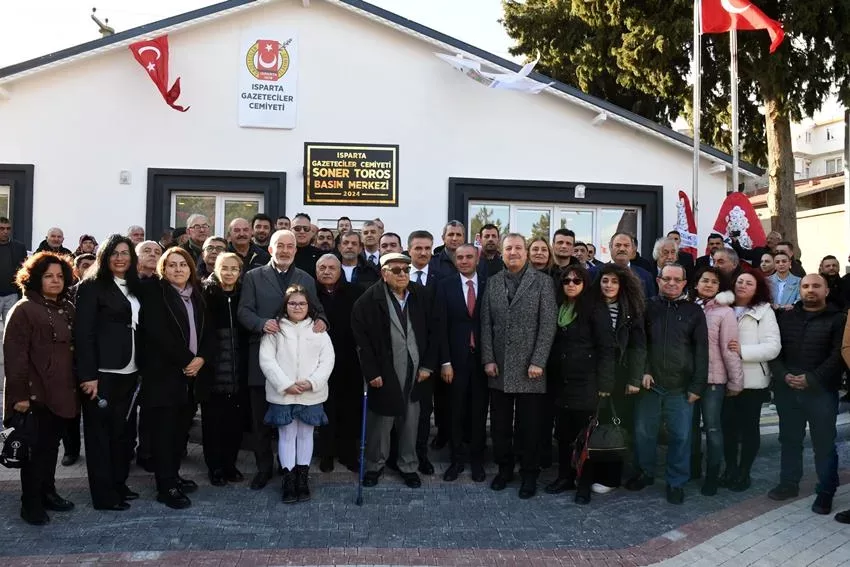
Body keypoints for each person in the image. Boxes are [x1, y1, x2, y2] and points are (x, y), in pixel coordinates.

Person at [237, 229, 327, 490]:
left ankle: (291, 468)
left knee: (294, 422)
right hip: (261, 357)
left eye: (290, 246)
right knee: (261, 419)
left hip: (297, 362)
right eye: (280, 245)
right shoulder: (254, 276)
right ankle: (264, 468)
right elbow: (244, 310)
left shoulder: (306, 279)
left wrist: (322, 320)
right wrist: (261, 323)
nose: (285, 250)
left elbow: (318, 310)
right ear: (270, 249)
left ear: (296, 250)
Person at [351, 252, 438, 489]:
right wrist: (371, 372)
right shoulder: (368, 301)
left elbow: (434, 332)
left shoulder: (421, 296)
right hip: (384, 370)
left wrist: (428, 365)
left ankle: (408, 465)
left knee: (410, 420)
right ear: (384, 273)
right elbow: (362, 342)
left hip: (416, 369)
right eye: (396, 270)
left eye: (406, 270)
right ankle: (374, 465)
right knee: (381, 421)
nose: (403, 275)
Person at [3, 252, 78, 525]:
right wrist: (20, 396)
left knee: (50, 449)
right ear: (35, 278)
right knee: (34, 453)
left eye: (60, 276)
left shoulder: (67, 307)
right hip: (35, 396)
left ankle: (48, 492)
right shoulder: (24, 310)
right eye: (48, 276)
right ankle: (30, 503)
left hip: (63, 392)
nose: (55, 281)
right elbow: (14, 357)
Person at [481, 234, 557, 499]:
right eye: (508, 248)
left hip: (530, 368)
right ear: (502, 253)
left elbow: (548, 325)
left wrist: (538, 361)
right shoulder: (492, 283)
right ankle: (504, 470)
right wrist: (488, 358)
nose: (513, 252)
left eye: (518, 248)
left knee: (529, 427)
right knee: (500, 426)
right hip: (499, 367)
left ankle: (529, 474)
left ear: (526, 252)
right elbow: (485, 324)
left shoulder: (543, 283)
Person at [138, 247, 214, 509]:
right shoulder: (155, 293)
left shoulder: (197, 294)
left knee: (179, 431)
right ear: (163, 268)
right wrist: (186, 361)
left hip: (192, 375)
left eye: (183, 264)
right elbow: (158, 333)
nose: (178, 269)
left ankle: (174, 476)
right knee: (164, 433)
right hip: (164, 374)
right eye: (172, 265)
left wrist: (201, 358)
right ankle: (165, 487)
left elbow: (208, 330)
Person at [626, 263, 707, 505]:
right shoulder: (647, 307)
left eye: (677, 279)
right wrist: (644, 370)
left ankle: (676, 482)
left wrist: (697, 386)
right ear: (659, 280)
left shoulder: (694, 311)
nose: (671, 283)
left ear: (684, 283)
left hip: (681, 387)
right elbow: (639, 343)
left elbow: (702, 351)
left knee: (681, 437)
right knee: (644, 434)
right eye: (667, 278)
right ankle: (646, 473)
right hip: (650, 385)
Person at [74, 234, 143, 511]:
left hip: (131, 369)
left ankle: (118, 483)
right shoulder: (92, 287)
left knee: (122, 433)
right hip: (102, 373)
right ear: (104, 256)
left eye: (125, 252)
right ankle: (103, 495)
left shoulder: (135, 285)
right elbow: (83, 334)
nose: (120, 258)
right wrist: (87, 375)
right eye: (114, 252)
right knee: (99, 437)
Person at [768, 274, 844, 515]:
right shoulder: (786, 318)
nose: (810, 290)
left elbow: (838, 355)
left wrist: (811, 379)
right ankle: (789, 483)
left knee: (824, 444)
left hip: (821, 392)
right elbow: (775, 351)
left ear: (826, 290)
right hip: (787, 390)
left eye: (816, 286)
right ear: (799, 289)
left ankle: (826, 491)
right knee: (789, 440)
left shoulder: (838, 320)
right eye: (806, 286)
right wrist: (784, 376)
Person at [545, 265, 614, 505]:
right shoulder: (558, 307)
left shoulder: (595, 309)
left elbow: (607, 349)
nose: (571, 284)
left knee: (585, 438)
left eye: (576, 280)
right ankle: (564, 476)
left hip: (587, 383)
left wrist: (605, 384)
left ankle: (583, 483)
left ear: (585, 283)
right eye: (566, 281)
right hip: (561, 382)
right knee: (563, 436)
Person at [260, 284, 334, 503]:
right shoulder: (275, 330)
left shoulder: (318, 329)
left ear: (309, 305)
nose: (297, 306)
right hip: (283, 393)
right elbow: (267, 360)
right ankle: (288, 478)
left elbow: (327, 360)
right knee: (287, 434)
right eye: (292, 303)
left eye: (302, 303)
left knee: (305, 434)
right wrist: (284, 384)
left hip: (310, 393)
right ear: (286, 305)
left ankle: (302, 477)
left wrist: (312, 382)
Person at [587, 264, 646, 492]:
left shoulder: (632, 308)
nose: (609, 285)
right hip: (596, 376)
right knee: (596, 427)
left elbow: (638, 347)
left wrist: (634, 379)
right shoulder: (591, 307)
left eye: (614, 281)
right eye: (605, 281)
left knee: (617, 427)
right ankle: (591, 472)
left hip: (622, 378)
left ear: (622, 284)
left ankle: (611, 478)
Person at [721, 270, 780, 492]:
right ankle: (730, 469)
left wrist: (742, 351)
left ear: (757, 288)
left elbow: (773, 347)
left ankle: (744, 472)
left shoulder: (764, 311)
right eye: (739, 281)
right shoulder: (722, 307)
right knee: (727, 428)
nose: (743, 286)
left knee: (748, 430)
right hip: (724, 379)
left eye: (749, 283)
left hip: (752, 381)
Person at [434, 244, 489, 483]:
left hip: (483, 360)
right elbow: (440, 325)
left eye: (469, 256)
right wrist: (445, 361)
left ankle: (477, 460)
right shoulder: (445, 285)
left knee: (478, 412)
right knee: (455, 411)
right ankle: (456, 460)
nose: (464, 261)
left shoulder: (489, 285)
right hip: (454, 361)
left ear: (477, 258)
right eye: (460, 257)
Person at [689, 267, 744, 496]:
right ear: (696, 284)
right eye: (705, 280)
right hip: (688, 379)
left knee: (712, 427)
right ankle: (692, 468)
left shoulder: (724, 312)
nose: (709, 284)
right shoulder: (688, 307)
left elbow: (729, 348)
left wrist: (735, 381)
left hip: (714, 380)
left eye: (714, 281)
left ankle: (712, 474)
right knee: (689, 429)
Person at [198, 252, 248, 487]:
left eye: (234, 268)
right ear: (215, 269)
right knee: (213, 424)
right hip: (213, 369)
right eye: (224, 268)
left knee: (234, 424)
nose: (229, 273)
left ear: (240, 272)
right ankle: (215, 467)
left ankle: (230, 464)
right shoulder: (205, 293)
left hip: (238, 369)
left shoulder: (243, 295)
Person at [315, 254, 364, 473]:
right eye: (322, 267)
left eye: (331, 268)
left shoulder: (356, 292)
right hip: (318, 362)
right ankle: (326, 454)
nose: (326, 271)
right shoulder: (310, 294)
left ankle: (348, 454)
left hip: (349, 360)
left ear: (340, 270)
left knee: (349, 410)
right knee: (326, 409)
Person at [0, 216, 28, 330]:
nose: (5, 231)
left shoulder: (19, 247)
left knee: (11, 330)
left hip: (12, 294)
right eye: (1, 228)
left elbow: (24, 269)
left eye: (8, 228)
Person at [609, 232, 655, 297]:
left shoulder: (646, 277)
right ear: (610, 248)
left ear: (633, 249)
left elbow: (651, 304)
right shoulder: (595, 273)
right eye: (618, 245)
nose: (622, 249)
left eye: (626, 245)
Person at [291, 213, 323, 279]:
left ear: (311, 231)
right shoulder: (284, 252)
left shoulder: (320, 255)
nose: (302, 231)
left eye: (306, 228)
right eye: (297, 228)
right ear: (290, 230)